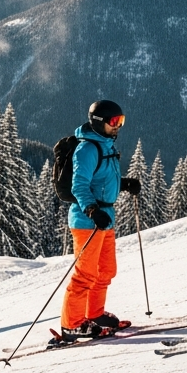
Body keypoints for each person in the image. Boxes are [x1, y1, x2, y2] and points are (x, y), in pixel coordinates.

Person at [56, 99, 141, 343]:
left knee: (106, 270)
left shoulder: (106, 145)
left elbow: (101, 179)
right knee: (85, 274)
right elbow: (79, 185)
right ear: (99, 122)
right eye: (114, 122)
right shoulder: (87, 149)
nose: (118, 126)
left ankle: (94, 314)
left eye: (121, 121)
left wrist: (124, 184)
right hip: (87, 220)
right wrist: (92, 211)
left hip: (105, 218)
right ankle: (71, 324)